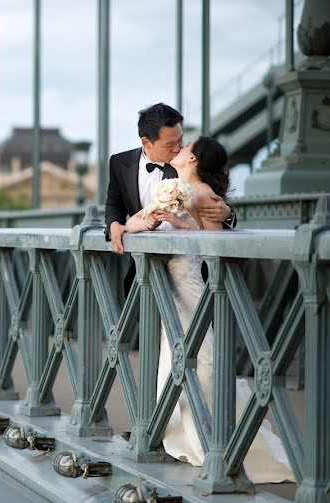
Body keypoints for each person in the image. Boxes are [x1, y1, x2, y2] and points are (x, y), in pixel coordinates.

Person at [123, 136, 293, 483]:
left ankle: (215, 440)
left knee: (202, 361)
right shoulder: (174, 186)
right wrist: (135, 225)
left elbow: (214, 246)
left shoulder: (200, 194)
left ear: (195, 160)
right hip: (166, 288)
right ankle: (168, 432)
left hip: (189, 287)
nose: (179, 150)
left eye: (186, 148)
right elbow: (135, 222)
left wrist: (184, 225)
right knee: (174, 358)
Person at [105, 103, 235, 293]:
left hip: (191, 276)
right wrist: (114, 224)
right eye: (170, 144)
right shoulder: (119, 162)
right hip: (144, 273)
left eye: (181, 141)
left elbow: (211, 224)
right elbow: (113, 203)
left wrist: (228, 214)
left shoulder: (185, 169)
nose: (177, 148)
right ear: (146, 142)